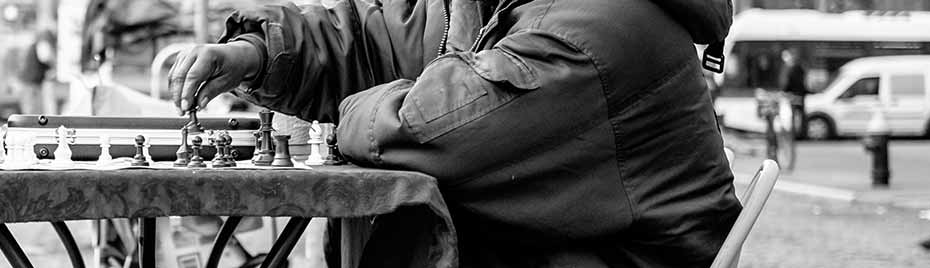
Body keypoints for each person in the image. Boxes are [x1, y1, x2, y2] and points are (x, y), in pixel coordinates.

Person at [169, 0, 740, 267]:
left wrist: (348, 111)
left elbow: (426, 129)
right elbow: (377, 40)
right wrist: (255, 53)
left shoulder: (595, 25)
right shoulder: (510, 5)